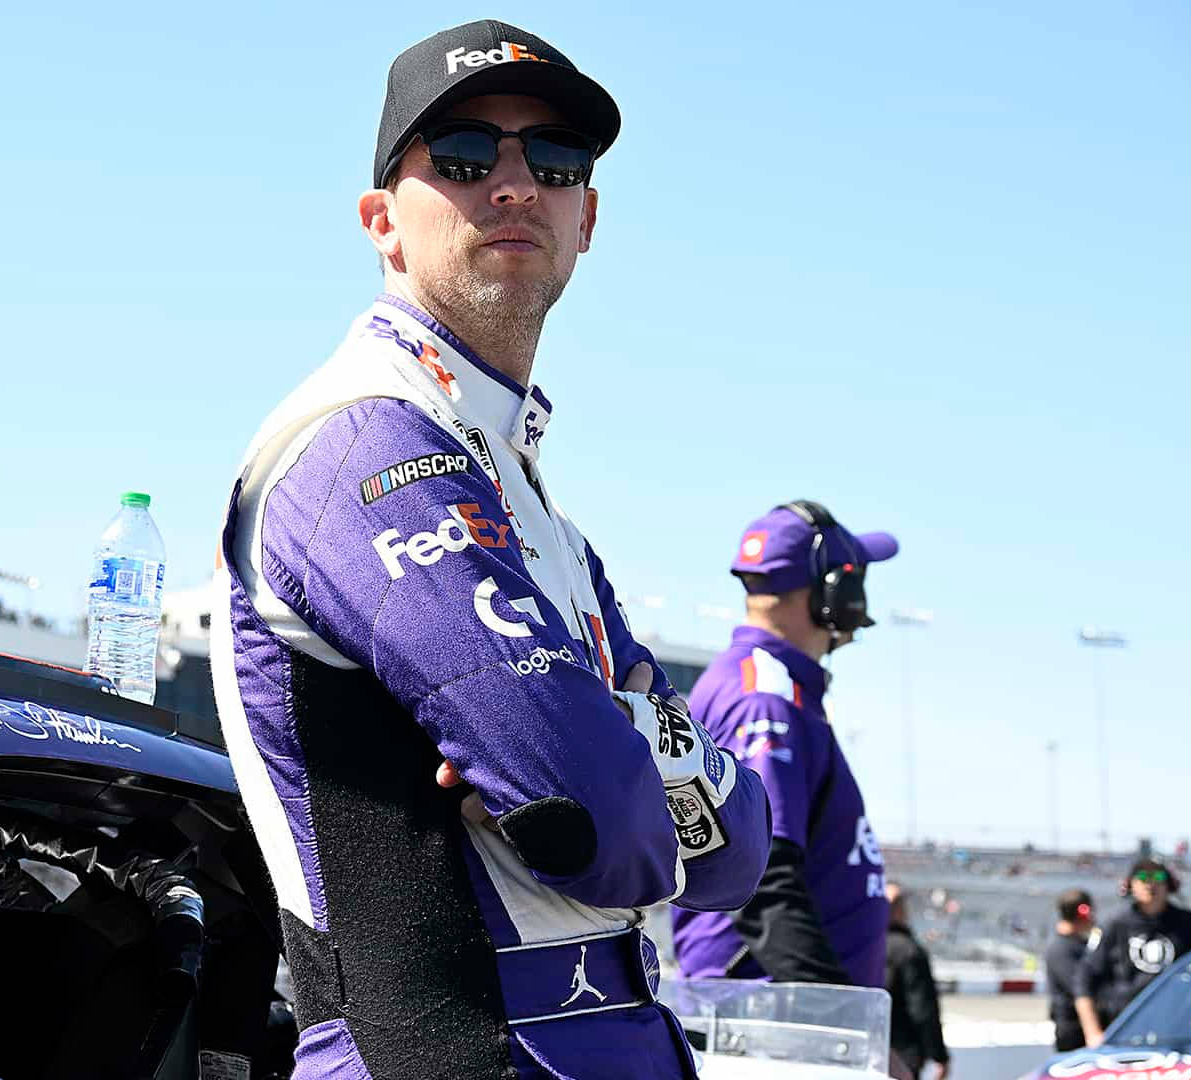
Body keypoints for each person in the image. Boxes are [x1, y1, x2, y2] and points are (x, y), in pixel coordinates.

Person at [210, 20, 771, 1080]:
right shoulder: (362, 438)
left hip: (615, 1036)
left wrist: (606, 743)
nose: (514, 186)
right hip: (458, 1048)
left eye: (552, 160)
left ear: (587, 217)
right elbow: (587, 810)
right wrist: (625, 756)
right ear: (382, 221)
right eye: (465, 157)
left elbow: (740, 853)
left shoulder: (533, 501)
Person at [669, 501, 898, 988]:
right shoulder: (766, 696)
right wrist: (838, 1016)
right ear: (837, 588)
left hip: (773, 1005)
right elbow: (761, 878)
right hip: (770, 1012)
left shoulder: (769, 684)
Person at [1075, 858, 1191, 1045]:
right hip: (1124, 1033)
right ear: (1130, 884)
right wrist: (1093, 1032)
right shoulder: (1114, 924)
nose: (1150, 884)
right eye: (1142, 876)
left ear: (1169, 884)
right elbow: (1084, 980)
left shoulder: (1189, 923)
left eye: (1158, 877)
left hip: (1178, 1033)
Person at [884, 884, 949, 1078]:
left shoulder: (862, 947)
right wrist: (939, 1055)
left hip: (869, 1050)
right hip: (903, 1055)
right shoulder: (909, 951)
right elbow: (923, 1009)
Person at [1044, 888, 1097, 1052]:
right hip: (1073, 1032)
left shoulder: (1079, 944)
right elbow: (1080, 988)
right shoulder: (1061, 949)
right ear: (1084, 913)